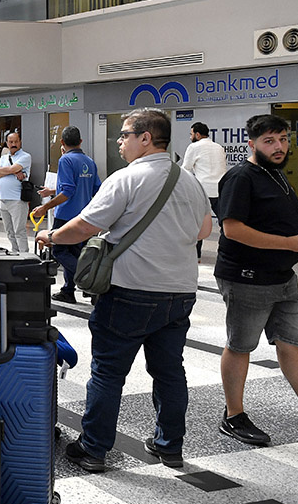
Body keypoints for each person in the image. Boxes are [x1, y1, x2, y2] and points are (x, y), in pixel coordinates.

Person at [35, 108, 212, 472]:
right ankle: (169, 446)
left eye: (125, 134)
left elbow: (85, 226)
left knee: (108, 372)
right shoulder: (189, 181)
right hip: (179, 293)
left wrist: (50, 235)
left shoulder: (127, 178)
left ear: (146, 138)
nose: (119, 141)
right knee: (169, 372)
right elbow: (204, 231)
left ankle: (94, 449)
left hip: (130, 290)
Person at [214, 114, 298, 445]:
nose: (279, 147)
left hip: (282, 277)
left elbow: (273, 218)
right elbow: (233, 229)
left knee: (290, 343)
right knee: (240, 346)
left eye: (283, 139)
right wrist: (290, 243)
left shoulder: (275, 174)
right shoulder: (240, 177)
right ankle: (233, 416)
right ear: (252, 144)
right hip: (247, 277)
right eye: (269, 141)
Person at [32, 126, 101, 303]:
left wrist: (45, 208)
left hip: (65, 216)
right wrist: (53, 191)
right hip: (83, 216)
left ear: (62, 142)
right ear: (81, 141)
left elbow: (68, 191)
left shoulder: (65, 160)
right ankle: (68, 290)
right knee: (76, 253)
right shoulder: (89, 161)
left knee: (59, 250)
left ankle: (89, 282)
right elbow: (95, 189)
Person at [181, 122, 228, 259]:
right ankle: (225, 252)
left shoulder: (194, 147)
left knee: (197, 224)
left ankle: (197, 256)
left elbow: (186, 169)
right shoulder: (219, 147)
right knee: (224, 223)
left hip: (202, 191)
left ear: (197, 134)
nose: (190, 137)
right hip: (220, 190)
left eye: (191, 134)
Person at [0, 132, 32, 254]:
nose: (13, 144)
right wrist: (12, 171)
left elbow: (10, 169)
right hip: (3, 199)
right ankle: (15, 252)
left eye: (16, 141)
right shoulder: (3, 158)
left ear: (20, 142)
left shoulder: (25, 156)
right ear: (7, 143)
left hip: (17, 199)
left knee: (19, 230)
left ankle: (24, 255)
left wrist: (5, 170)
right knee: (9, 231)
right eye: (11, 142)